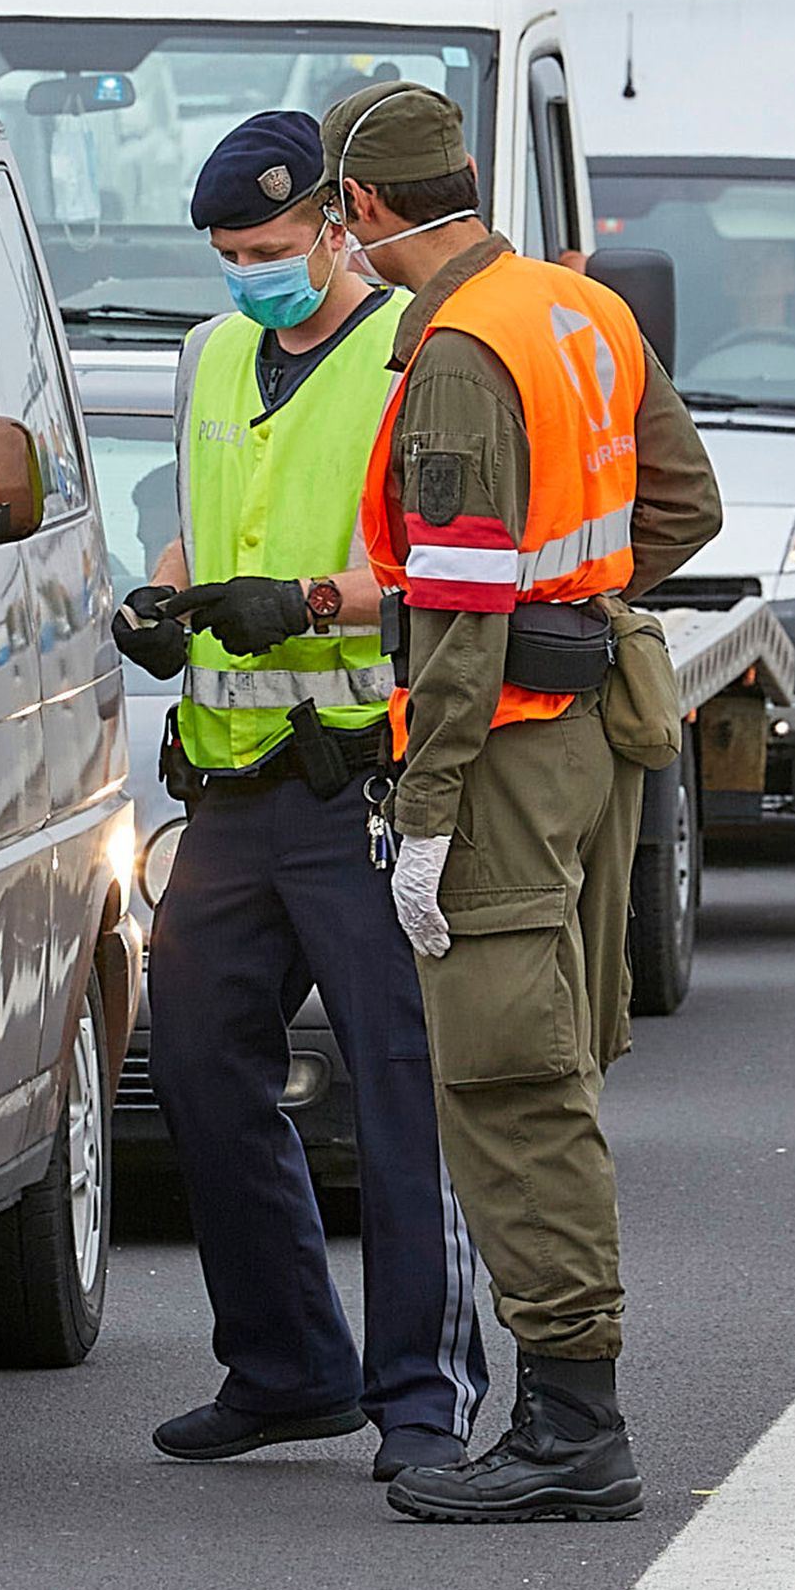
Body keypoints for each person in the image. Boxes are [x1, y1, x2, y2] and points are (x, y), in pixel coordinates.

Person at [326, 76, 720, 1523]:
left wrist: (427, 808)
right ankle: (565, 1405)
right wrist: (588, 599)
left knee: (508, 1080)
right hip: (585, 734)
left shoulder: (455, 354)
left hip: (499, 744)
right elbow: (683, 502)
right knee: (552, 1055)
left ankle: (571, 1420)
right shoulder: (579, 306)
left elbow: (463, 609)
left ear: (364, 208)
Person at [114, 110, 488, 1488]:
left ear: (338, 222)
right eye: (227, 252)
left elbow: (453, 568)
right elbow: (199, 519)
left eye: (270, 247)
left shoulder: (409, 354)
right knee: (200, 1066)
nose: (248, 273)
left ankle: (424, 1398)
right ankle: (286, 1367)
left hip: (357, 782)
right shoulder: (213, 353)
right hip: (227, 787)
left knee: (398, 1090)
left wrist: (316, 599)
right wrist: (161, 591)